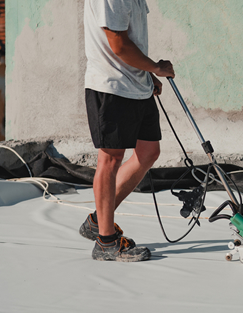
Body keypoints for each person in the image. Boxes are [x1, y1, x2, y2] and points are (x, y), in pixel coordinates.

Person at [79, 0, 175, 262]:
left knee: (148, 152)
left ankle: (98, 221)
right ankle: (106, 242)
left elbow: (131, 40)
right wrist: (155, 67)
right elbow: (118, 44)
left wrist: (146, 73)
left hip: (136, 85)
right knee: (110, 158)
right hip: (111, 87)